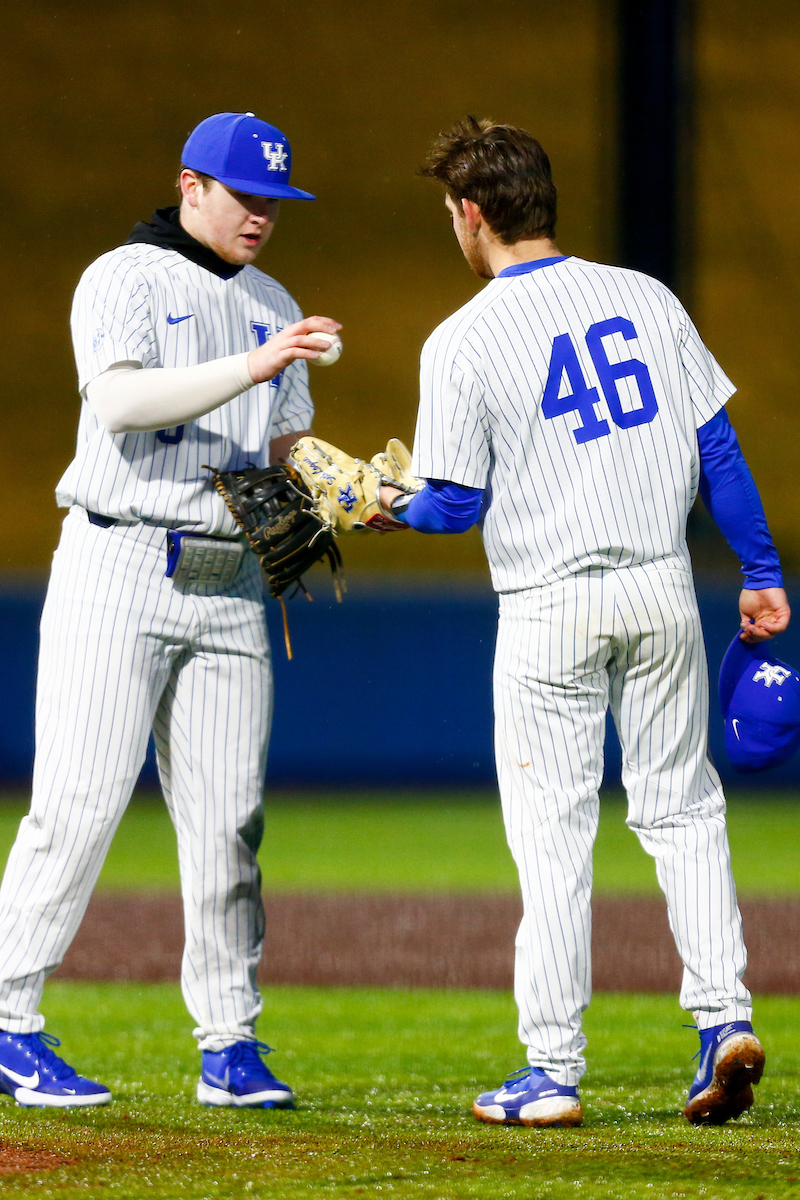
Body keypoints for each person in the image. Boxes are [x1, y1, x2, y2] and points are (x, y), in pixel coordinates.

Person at [380, 117, 790, 1128]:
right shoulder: (643, 296)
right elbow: (719, 451)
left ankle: (551, 1071)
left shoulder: (463, 337)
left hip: (547, 606)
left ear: (472, 213)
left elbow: (454, 504)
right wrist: (762, 568)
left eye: (451, 210)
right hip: (658, 588)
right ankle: (721, 1018)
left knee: (553, 837)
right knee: (682, 811)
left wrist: (376, 498)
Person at [0, 112, 340, 1109]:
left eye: (275, 200)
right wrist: (257, 364)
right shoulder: (123, 276)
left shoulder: (274, 304)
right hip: (120, 560)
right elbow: (119, 404)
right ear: (190, 185)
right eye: (245, 195)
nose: (262, 215)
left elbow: (280, 454)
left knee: (230, 821)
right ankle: (9, 1020)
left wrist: (346, 488)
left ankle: (229, 1044)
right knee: (77, 804)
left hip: (229, 581)